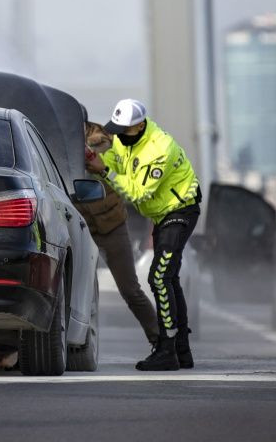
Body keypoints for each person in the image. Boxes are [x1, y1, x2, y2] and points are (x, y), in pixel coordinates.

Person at [87, 98, 200, 371]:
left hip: (180, 210)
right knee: (169, 277)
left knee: (159, 277)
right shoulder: (128, 141)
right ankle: (181, 350)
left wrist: (104, 169)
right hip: (162, 215)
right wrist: (95, 151)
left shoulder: (160, 148)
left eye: (121, 129)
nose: (116, 134)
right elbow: (114, 160)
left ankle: (166, 350)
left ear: (138, 126)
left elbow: (138, 192)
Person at [73, 120, 160, 347]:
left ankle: (161, 342)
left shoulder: (98, 137)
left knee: (130, 290)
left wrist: (89, 152)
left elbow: (105, 145)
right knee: (73, 290)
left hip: (112, 226)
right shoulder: (54, 144)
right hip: (81, 228)